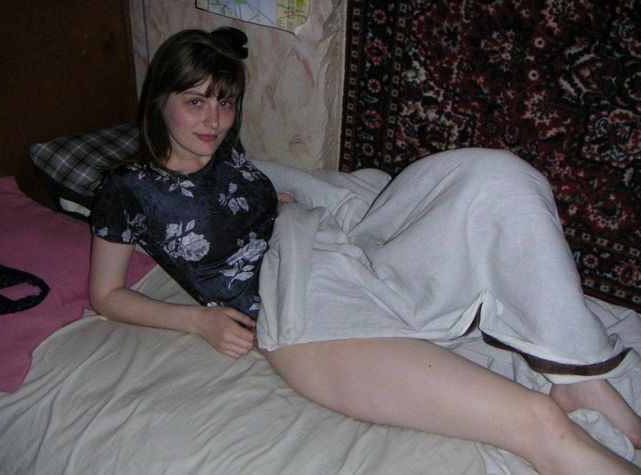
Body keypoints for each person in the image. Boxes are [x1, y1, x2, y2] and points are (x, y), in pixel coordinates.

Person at [88, 28, 641, 474]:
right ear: (159, 100)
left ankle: (581, 372)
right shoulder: (128, 190)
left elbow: (248, 197)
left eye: (225, 103)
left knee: (497, 179)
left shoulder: (225, 146)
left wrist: (283, 204)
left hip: (334, 251)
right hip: (299, 317)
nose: (214, 120)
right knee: (536, 421)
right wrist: (200, 321)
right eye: (195, 102)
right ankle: (571, 394)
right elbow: (106, 295)